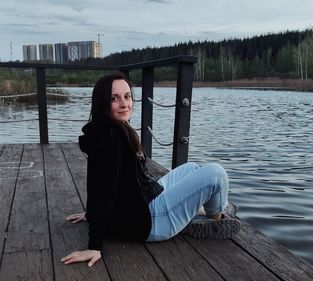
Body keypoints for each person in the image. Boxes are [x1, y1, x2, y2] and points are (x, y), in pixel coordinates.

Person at [60, 73, 240, 267]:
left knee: (191, 168)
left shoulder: (107, 128)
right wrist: (94, 246)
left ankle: (201, 210)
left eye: (127, 96)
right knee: (216, 173)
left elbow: (96, 180)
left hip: (145, 200)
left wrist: (91, 213)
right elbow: (105, 190)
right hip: (151, 221)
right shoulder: (111, 138)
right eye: (114, 98)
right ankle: (217, 218)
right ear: (102, 102)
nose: (124, 104)